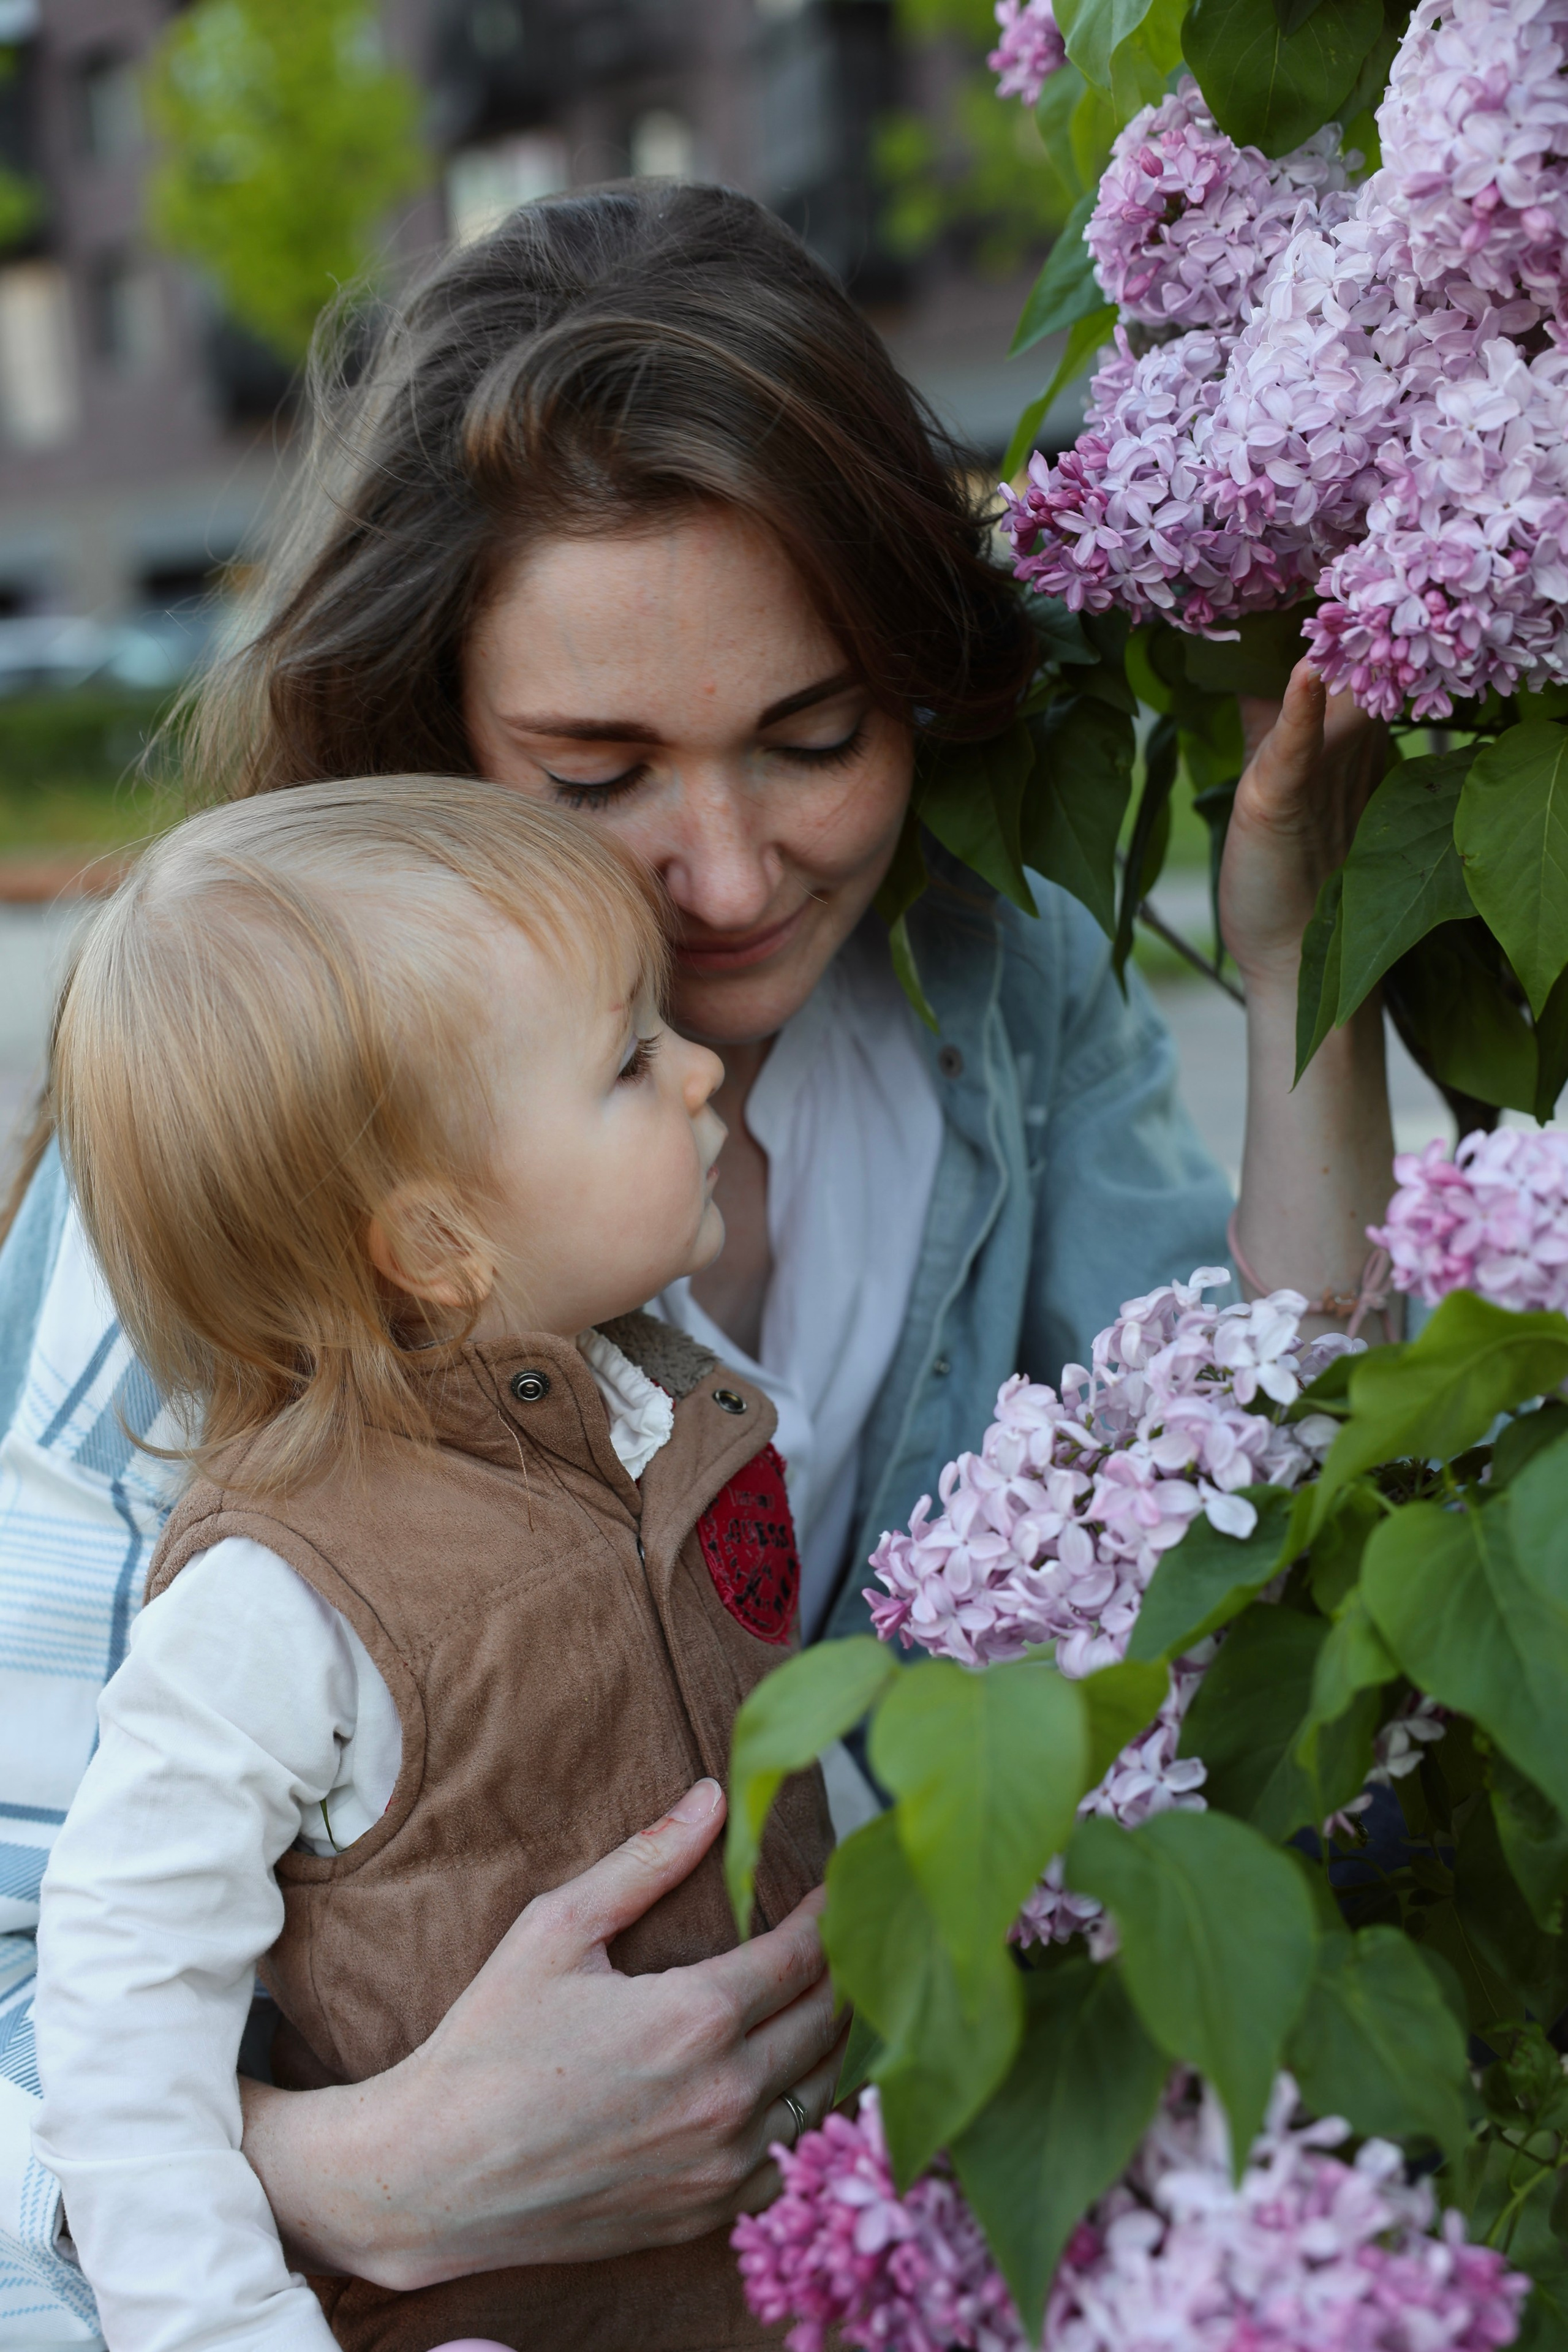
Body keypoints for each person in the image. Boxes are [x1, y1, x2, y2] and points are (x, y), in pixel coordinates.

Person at [0, 182, 1396, 2346]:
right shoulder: (246, 1174)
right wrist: (365, 2178)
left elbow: (1257, 1489)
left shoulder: (989, 989)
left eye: (816, 738)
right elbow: (33, 1944)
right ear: (429, 730)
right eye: (597, 775)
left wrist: (1304, 964)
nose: (732, 879)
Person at [34, 777, 832, 2352]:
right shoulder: (285, 1597)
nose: (696, 1068)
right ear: (441, 1247)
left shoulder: (657, 1412)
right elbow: (123, 2020)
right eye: (627, 1060)